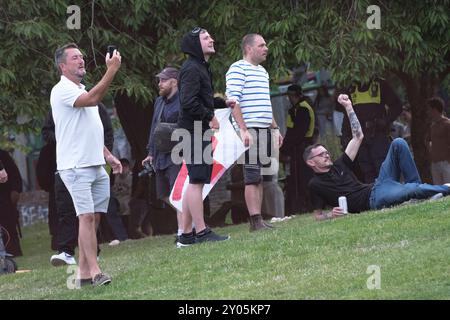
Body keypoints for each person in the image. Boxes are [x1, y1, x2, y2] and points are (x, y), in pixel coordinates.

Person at [304, 94, 450, 220]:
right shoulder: (315, 184)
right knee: (411, 190)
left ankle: (418, 193)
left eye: (326, 152)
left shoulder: (340, 164)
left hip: (378, 184)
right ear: (311, 162)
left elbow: (358, 136)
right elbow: (317, 215)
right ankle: (439, 189)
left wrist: (348, 106)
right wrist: (330, 215)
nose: (327, 155)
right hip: (374, 199)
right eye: (321, 154)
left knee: (398, 143)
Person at [50, 43, 122, 287]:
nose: (81, 61)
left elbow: (88, 130)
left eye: (82, 57)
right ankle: (96, 271)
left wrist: (108, 155)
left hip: (95, 165)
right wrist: (111, 70)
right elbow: (93, 99)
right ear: (63, 66)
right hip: (75, 167)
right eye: (74, 58)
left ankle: (81, 274)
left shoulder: (80, 88)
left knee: (93, 219)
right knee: (86, 217)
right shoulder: (62, 90)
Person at [176, 27, 229, 247]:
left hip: (197, 129)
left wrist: (223, 104)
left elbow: (200, 98)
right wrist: (210, 117)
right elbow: (188, 102)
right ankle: (202, 232)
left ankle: (187, 235)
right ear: (195, 44)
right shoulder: (191, 69)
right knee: (197, 181)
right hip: (193, 130)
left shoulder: (200, 67)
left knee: (195, 180)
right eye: (206, 37)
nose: (212, 39)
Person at [225, 33, 283, 231]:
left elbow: (266, 102)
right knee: (252, 176)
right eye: (262, 45)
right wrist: (243, 130)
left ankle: (258, 220)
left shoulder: (263, 71)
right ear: (249, 49)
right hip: (249, 129)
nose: (266, 48)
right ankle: (255, 220)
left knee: (261, 176)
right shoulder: (237, 68)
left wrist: (275, 128)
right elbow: (233, 101)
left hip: (265, 128)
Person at [142, 67, 183, 241]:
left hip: (177, 153)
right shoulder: (159, 102)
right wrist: (150, 152)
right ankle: (193, 222)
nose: (160, 84)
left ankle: (184, 231)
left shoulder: (183, 100)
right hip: (160, 155)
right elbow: (154, 127)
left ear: (174, 81)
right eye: (159, 80)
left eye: (163, 80)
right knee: (164, 194)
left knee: (178, 193)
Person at [340, 78, 403, 183]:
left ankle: (391, 195)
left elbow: (397, 106)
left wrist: (385, 121)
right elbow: (347, 116)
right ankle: (375, 197)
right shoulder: (351, 88)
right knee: (367, 172)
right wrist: (345, 137)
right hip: (360, 138)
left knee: (384, 167)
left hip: (378, 135)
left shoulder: (380, 84)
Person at [0, 150, 23, 256]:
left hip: (5, 198)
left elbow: (14, 174)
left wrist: (15, 190)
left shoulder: (3, 155)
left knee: (9, 227)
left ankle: (12, 251)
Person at [427, 97, 450, 185]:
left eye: (429, 109)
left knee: (448, 190)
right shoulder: (433, 126)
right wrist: (431, 152)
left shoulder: (447, 124)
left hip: (446, 163)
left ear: (435, 109)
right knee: (438, 192)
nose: (428, 112)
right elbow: (427, 140)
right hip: (435, 164)